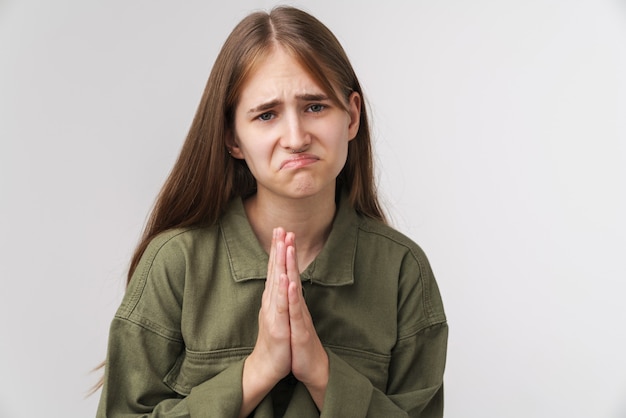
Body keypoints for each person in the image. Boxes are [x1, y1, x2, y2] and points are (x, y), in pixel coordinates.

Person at [96, 5, 447, 417]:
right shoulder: (176, 263)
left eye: (315, 106)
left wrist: (322, 373)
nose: (296, 137)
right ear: (233, 138)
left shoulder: (403, 271)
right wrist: (258, 370)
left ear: (351, 115)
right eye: (267, 115)